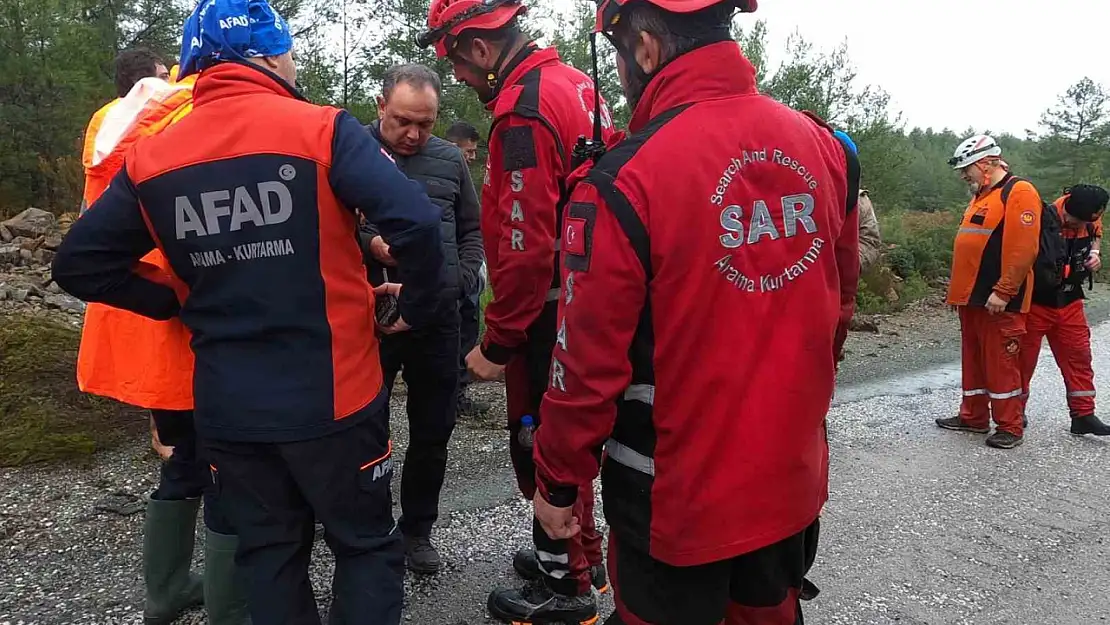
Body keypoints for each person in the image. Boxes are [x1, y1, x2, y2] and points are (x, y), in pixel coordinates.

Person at [51, 1, 446, 623]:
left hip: (231, 409)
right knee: (365, 546)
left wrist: (177, 296)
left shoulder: (153, 156)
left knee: (270, 555)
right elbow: (419, 223)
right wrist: (415, 308)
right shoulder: (321, 128)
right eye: (286, 53)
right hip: (337, 398)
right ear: (266, 56)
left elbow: (78, 265)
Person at [506, 0, 862, 622]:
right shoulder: (825, 148)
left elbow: (584, 363)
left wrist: (559, 480)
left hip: (675, 500)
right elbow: (839, 308)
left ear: (645, 47)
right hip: (791, 477)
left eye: (619, 54)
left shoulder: (623, 180)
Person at [417, 0, 615, 616]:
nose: (458, 78)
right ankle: (586, 556)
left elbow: (526, 242)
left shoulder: (521, 110)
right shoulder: (577, 84)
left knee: (541, 441)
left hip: (548, 307)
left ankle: (567, 586)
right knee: (571, 431)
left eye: (456, 62)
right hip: (591, 292)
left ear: (479, 47)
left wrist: (499, 340)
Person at [78, 63, 250, 625]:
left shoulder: (109, 120)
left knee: (183, 461)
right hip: (193, 324)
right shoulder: (187, 115)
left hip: (139, 321)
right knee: (231, 468)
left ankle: (168, 590)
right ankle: (232, 608)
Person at [358, 64, 484, 573]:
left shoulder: (450, 160)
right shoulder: (352, 150)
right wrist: (368, 243)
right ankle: (367, 528)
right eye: (403, 121)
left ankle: (417, 531)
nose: (414, 134)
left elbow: (473, 229)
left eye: (425, 124)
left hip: (438, 318)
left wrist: (465, 278)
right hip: (373, 319)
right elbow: (328, 225)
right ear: (380, 107)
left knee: (433, 431)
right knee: (366, 431)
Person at [937, 135, 1041, 450]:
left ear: (985, 163)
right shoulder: (982, 195)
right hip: (972, 299)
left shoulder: (1019, 192)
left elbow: (1023, 249)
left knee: (1001, 362)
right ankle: (973, 416)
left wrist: (1004, 291)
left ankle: (1010, 425)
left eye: (966, 168)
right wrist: (957, 295)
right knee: (974, 360)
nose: (963, 175)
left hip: (998, 300)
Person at [1020, 184, 1110, 436]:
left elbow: (1096, 234)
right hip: (1035, 303)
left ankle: (1083, 415)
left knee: (1079, 357)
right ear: (1068, 208)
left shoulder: (1091, 215)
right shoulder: (1041, 218)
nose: (1078, 225)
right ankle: (1014, 411)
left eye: (1084, 222)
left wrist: (1094, 253)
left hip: (1070, 301)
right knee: (1022, 361)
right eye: (1075, 221)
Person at [82, 48, 170, 214]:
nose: (169, 85)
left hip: (102, 212)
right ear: (142, 82)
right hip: (137, 212)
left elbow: (92, 177)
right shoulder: (157, 112)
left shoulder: (103, 116)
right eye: (163, 78)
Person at [445, 119, 492, 417]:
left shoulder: (468, 181)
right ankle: (452, 397)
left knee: (468, 331)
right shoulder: (440, 175)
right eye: (469, 151)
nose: (472, 157)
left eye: (475, 152)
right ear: (453, 146)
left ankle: (459, 394)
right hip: (453, 273)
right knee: (455, 337)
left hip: (470, 270)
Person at [832, 131, 883, 272]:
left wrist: (842, 266)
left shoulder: (860, 200)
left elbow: (870, 242)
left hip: (836, 286)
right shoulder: (801, 191)